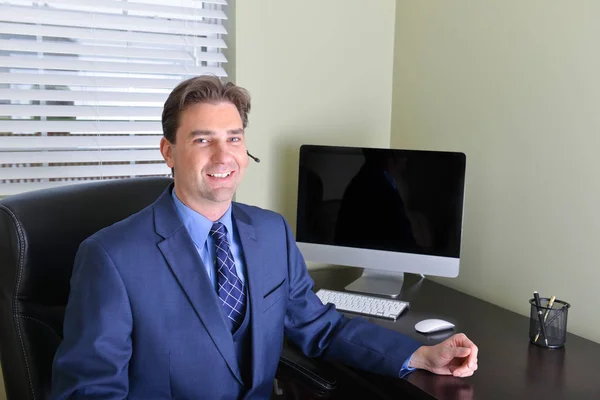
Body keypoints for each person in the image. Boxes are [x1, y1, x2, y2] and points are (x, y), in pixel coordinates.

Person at [50, 76, 478, 399]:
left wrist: (418, 355)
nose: (224, 156)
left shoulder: (270, 232)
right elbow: (88, 390)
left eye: (233, 138)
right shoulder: (111, 257)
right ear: (168, 150)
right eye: (203, 140)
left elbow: (320, 327)